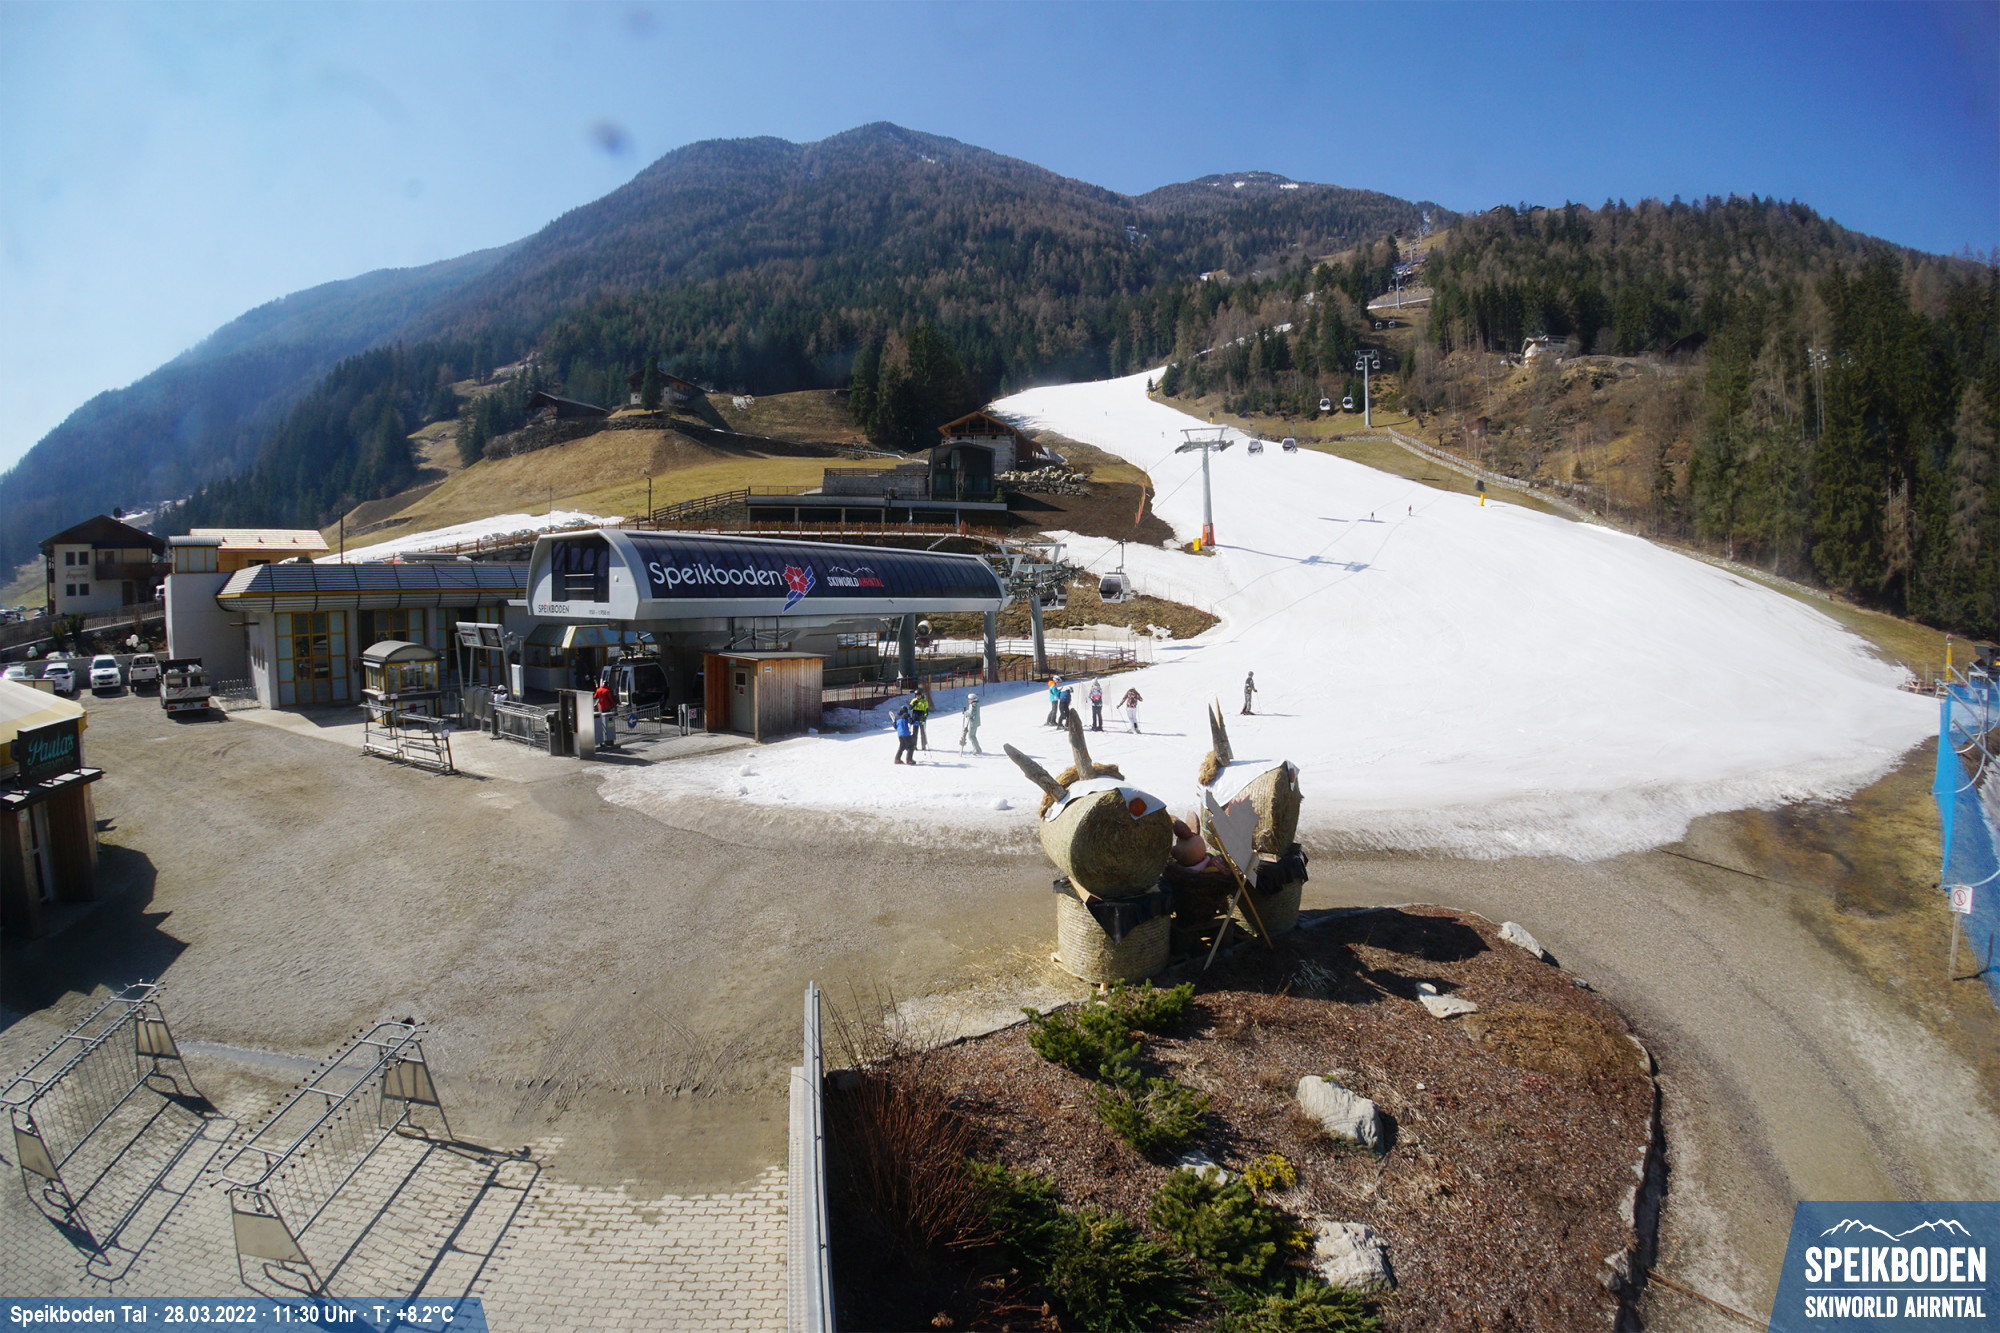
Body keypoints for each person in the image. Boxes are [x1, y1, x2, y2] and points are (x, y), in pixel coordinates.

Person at [592, 679, 618, 750]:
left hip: (601, 707)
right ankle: (608, 734)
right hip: (607, 707)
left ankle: (604, 731)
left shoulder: (598, 690)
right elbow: (610, 699)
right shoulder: (607, 691)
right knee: (608, 720)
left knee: (603, 718)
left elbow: (595, 697)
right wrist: (614, 705)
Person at [911, 686, 932, 751]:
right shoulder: (914, 700)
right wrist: (914, 705)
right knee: (915, 733)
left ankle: (923, 745)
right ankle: (914, 745)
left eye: (919, 695)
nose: (918, 697)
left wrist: (925, 716)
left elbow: (926, 711)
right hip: (915, 718)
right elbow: (910, 708)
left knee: (923, 732)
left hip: (921, 718)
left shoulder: (924, 701)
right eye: (917, 695)